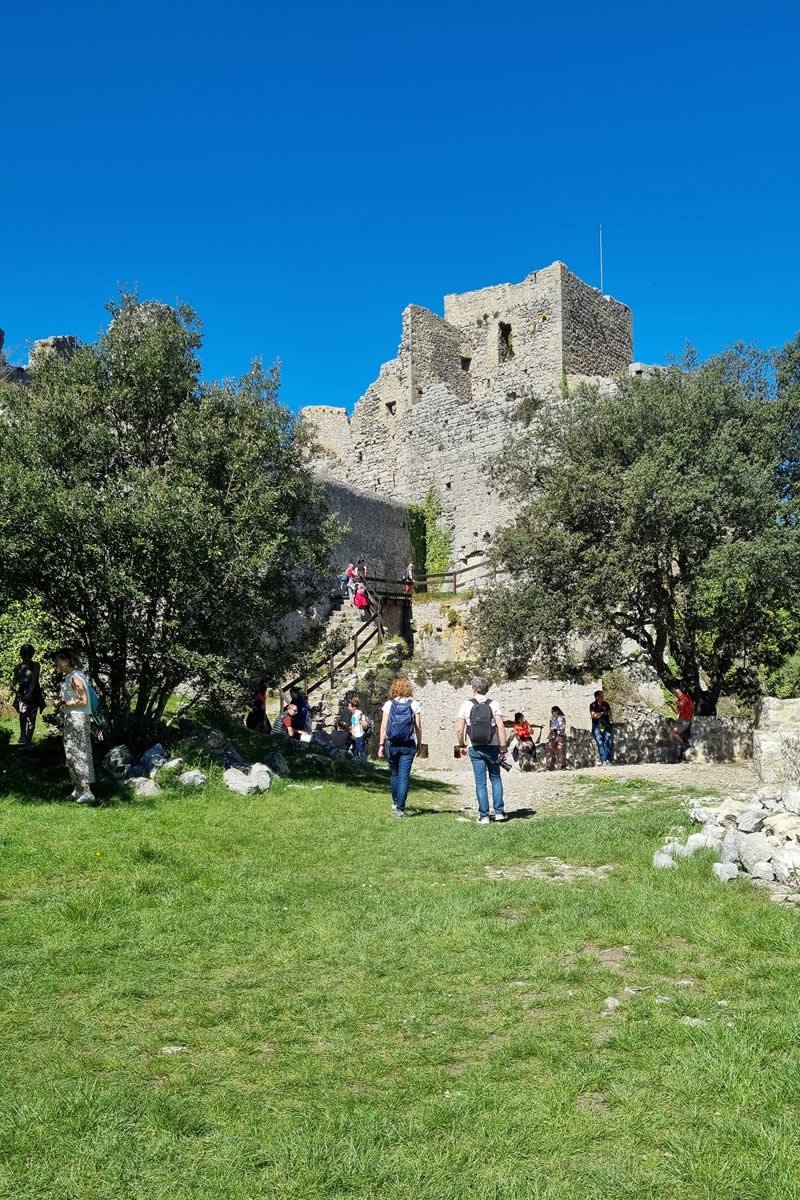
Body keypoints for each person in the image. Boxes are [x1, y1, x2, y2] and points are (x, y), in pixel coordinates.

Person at [456, 677, 508, 824]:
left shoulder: (466, 705)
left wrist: (461, 745)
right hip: (493, 747)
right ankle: (499, 813)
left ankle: (484, 816)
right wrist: (503, 748)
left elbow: (460, 729)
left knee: (480, 782)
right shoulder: (494, 704)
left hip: (475, 747)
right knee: (496, 778)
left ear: (473, 689)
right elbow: (501, 727)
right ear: (487, 689)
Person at [54, 647, 95, 803]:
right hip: (71, 718)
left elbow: (83, 700)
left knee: (80, 753)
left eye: (58, 661)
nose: (56, 664)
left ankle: (87, 791)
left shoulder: (76, 677)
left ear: (66, 661)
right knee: (71, 753)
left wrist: (63, 703)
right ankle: (77, 789)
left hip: (78, 719)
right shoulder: (71, 676)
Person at [377, 677, 422, 817]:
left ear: (394, 689)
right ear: (409, 688)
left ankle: (396, 802)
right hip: (408, 744)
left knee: (394, 774)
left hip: (393, 744)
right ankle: (400, 809)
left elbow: (384, 727)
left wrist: (381, 745)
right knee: (404, 776)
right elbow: (418, 727)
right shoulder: (414, 704)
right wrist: (420, 743)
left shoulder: (389, 704)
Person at [12, 643, 44, 746]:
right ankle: (23, 736)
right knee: (23, 715)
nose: (27, 657)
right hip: (23, 693)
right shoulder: (18, 668)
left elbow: (34, 680)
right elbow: (14, 682)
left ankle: (28, 739)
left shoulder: (36, 665)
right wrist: (13, 688)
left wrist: (29, 693)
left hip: (33, 693)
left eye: (29, 654)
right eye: (25, 654)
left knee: (31, 717)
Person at [669, 685, 695, 762]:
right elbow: (677, 711)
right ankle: (680, 758)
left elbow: (680, 708)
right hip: (686, 720)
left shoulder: (682, 700)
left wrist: (674, 705)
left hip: (684, 721)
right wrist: (671, 706)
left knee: (672, 733)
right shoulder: (685, 698)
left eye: (675, 692)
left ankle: (684, 746)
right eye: (674, 692)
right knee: (678, 738)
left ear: (678, 691)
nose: (674, 694)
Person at [590, 690, 614, 765]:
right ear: (596, 697)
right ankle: (603, 760)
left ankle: (607, 759)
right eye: (601, 696)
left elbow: (610, 714)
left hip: (606, 725)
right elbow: (594, 716)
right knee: (600, 742)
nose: (602, 697)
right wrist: (603, 713)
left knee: (608, 741)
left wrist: (611, 721)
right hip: (597, 725)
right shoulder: (592, 705)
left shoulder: (606, 704)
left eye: (602, 696)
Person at [348, 696, 368, 763]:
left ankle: (364, 764)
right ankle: (356, 764)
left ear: (353, 707)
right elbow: (353, 725)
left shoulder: (359, 713)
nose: (349, 708)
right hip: (354, 735)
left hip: (359, 735)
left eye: (349, 707)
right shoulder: (353, 715)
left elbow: (365, 725)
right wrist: (351, 733)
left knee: (361, 750)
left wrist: (360, 720)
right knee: (355, 750)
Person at [547, 705, 567, 770]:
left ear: (557, 711)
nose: (552, 713)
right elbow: (550, 728)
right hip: (553, 735)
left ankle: (561, 765)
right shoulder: (551, 719)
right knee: (550, 747)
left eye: (553, 711)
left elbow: (563, 728)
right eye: (551, 711)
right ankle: (549, 765)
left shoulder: (562, 718)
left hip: (560, 734)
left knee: (560, 748)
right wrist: (553, 734)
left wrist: (559, 735)